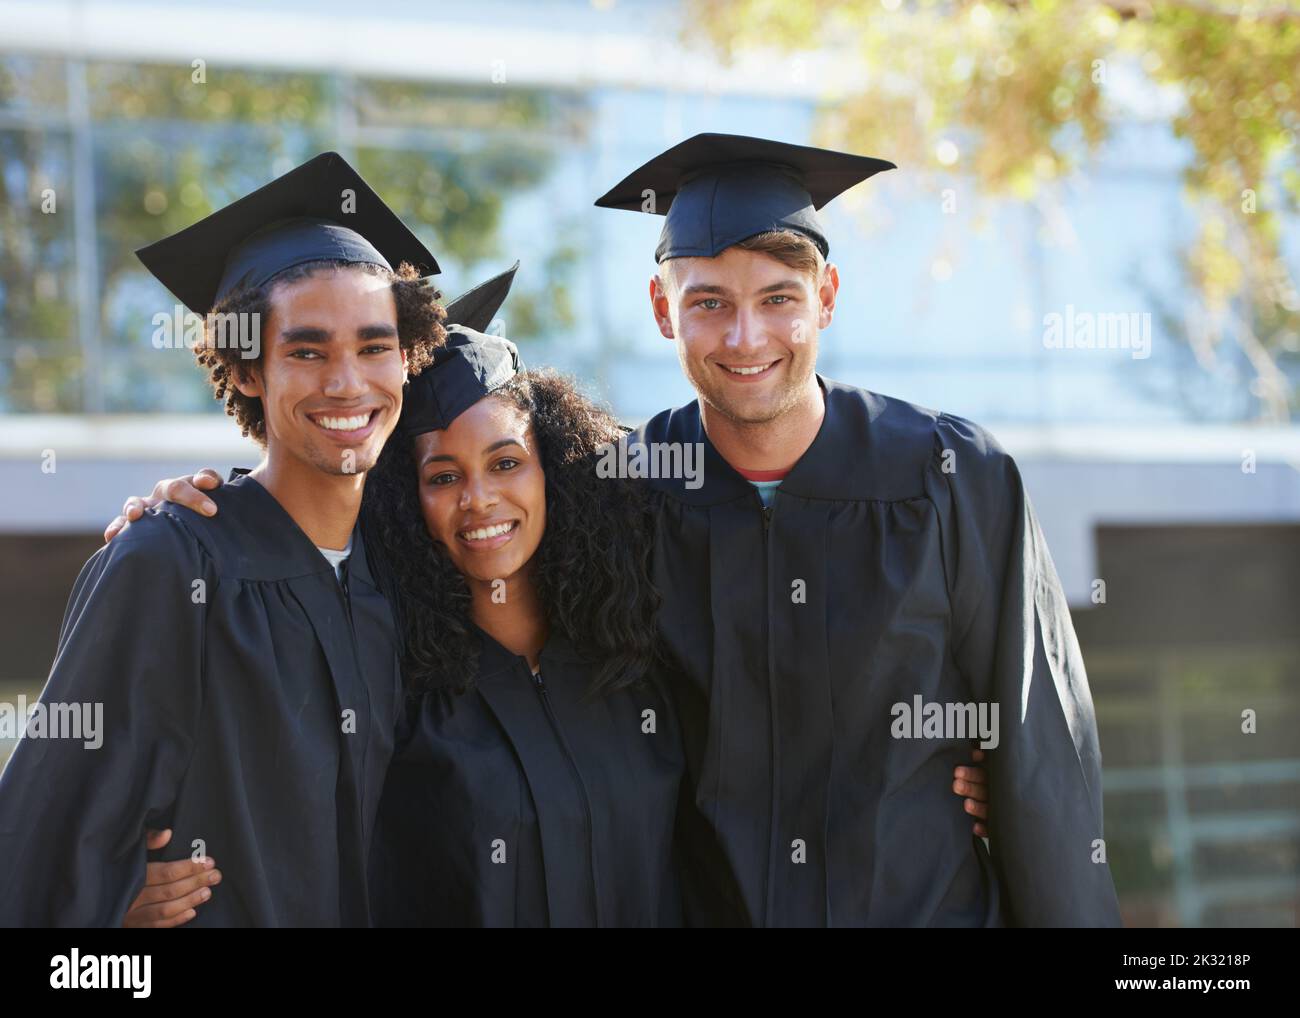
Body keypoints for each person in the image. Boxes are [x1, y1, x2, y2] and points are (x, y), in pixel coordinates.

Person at [590, 132, 1122, 926]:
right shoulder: (621, 496)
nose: (746, 337)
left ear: (827, 298)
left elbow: (1039, 746)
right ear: (664, 309)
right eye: (709, 302)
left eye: (779, 299)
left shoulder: (947, 477)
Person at [0, 152, 446, 926]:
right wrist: (107, 905)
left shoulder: (394, 572)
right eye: (307, 351)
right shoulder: (169, 561)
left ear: (407, 358)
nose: (348, 383)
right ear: (246, 371)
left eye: (375, 347)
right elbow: (41, 842)